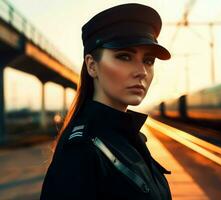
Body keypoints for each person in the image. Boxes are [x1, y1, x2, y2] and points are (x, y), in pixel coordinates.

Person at [40, 3, 172, 200]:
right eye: (124, 56)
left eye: (149, 60)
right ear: (92, 66)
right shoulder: (81, 152)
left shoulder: (129, 138)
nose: (142, 72)